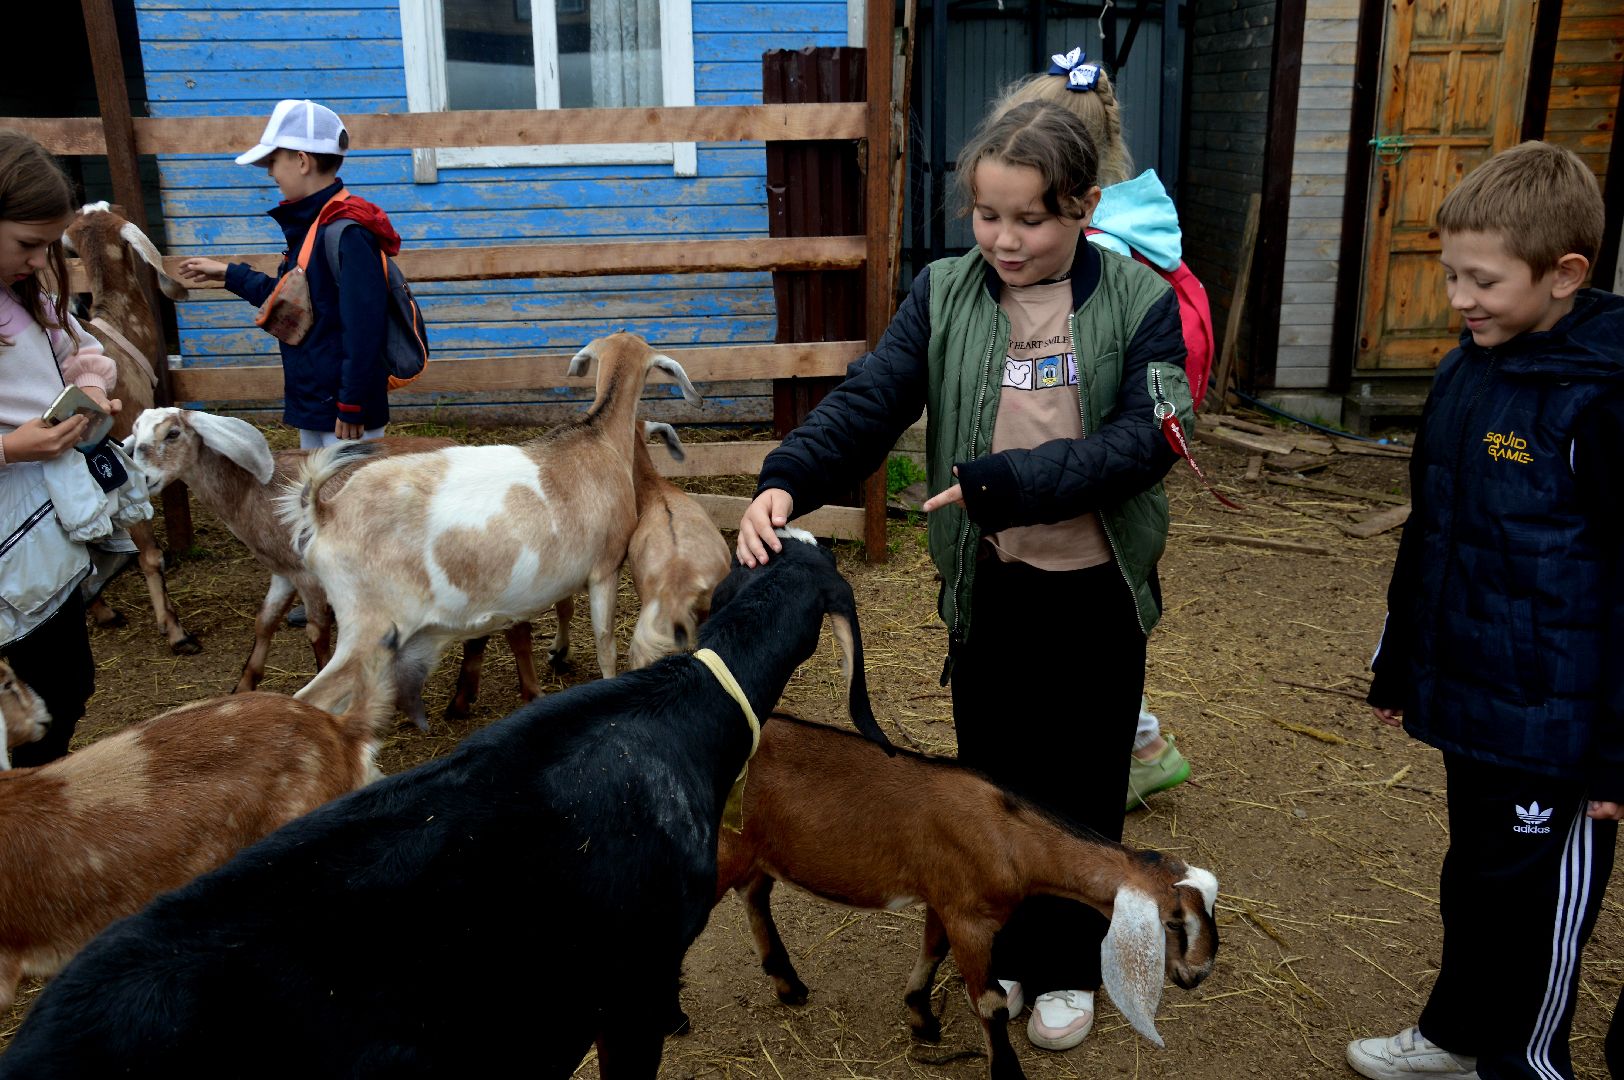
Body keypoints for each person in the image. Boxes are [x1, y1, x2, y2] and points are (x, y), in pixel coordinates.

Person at [736, 100, 1195, 1054]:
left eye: (1030, 219)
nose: (1005, 240)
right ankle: (1007, 951)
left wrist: (1009, 482)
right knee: (996, 783)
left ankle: (1068, 967)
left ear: (1084, 207)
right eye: (988, 216)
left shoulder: (1139, 301)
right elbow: (873, 399)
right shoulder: (945, 292)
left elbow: (1147, 441)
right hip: (990, 589)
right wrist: (789, 478)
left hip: (1096, 592)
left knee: (1080, 783)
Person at [1348, 141, 1624, 1080]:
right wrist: (1401, 665)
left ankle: (1526, 1065)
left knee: (1531, 910)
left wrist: (1617, 748)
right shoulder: (1468, 370)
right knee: (1475, 880)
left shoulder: (1602, 401)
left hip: (1561, 730)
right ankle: (1458, 1036)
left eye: (1484, 280)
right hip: (1476, 699)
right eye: (1450, 273)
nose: (1458, 297)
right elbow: (1434, 533)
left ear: (1564, 275)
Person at [995, 48, 1205, 811]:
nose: (1009, 235)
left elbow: (1106, 403)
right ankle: (1135, 744)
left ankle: (1126, 751)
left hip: (1080, 490)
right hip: (1071, 492)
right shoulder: (1133, 232)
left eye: (1027, 213)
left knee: (1080, 638)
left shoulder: (1104, 264)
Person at [0, 131, 124, 765]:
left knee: (67, 687)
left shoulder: (26, 291)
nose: (38, 259)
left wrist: (90, 388)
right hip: (7, 535)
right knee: (31, 707)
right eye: (27, 243)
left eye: (49, 245)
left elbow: (78, 349)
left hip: (42, 528)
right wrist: (8, 449)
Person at [177, 99, 396, 451]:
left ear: (302, 161)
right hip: (318, 402)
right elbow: (295, 303)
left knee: (347, 486)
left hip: (343, 414)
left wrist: (353, 404)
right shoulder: (314, 225)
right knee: (314, 484)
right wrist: (229, 274)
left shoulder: (346, 233)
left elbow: (365, 327)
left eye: (273, 161)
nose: (270, 173)